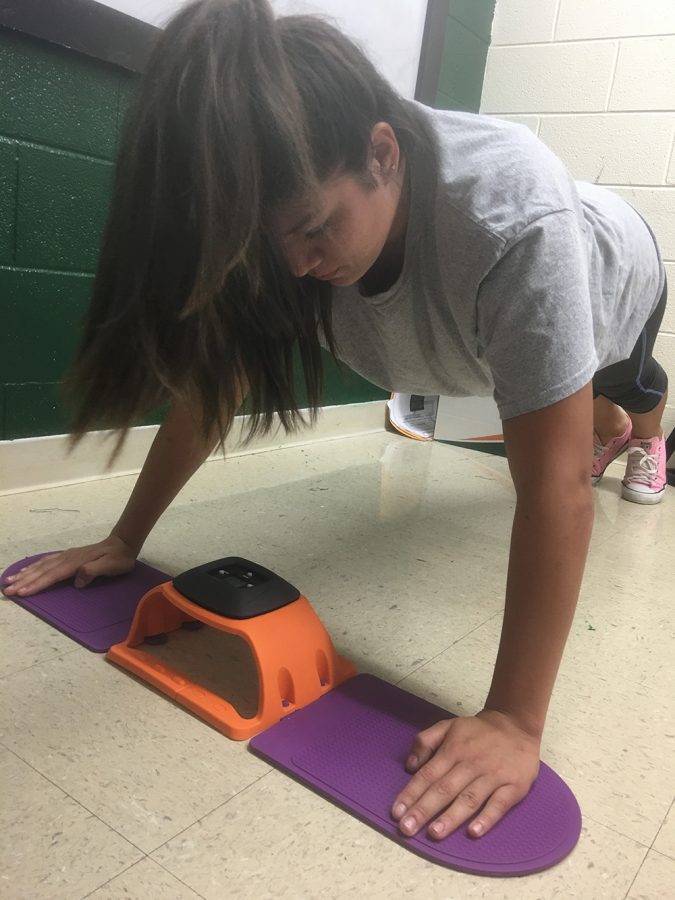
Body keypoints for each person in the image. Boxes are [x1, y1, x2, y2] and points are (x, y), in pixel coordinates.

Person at [3, 0, 669, 844]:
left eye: (316, 230)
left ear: (382, 156)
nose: (295, 266)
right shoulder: (284, 224)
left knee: (628, 389)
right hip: (487, 311)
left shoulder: (514, 228)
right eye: (277, 242)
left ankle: (646, 434)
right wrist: (124, 538)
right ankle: (605, 411)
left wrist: (511, 721)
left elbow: (553, 490)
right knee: (563, 404)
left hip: (617, 267)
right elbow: (212, 392)